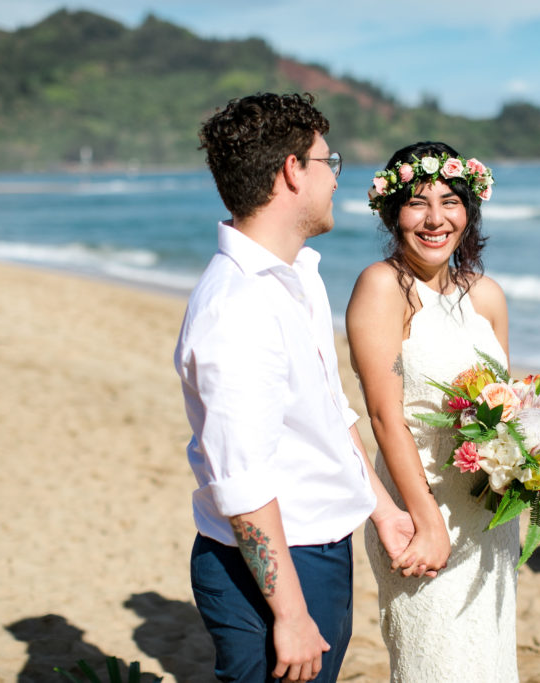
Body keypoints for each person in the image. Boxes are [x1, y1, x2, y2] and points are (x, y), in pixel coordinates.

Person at [174, 93, 416, 683]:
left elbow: (330, 413)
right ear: (291, 170)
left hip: (319, 547)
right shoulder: (239, 308)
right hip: (270, 567)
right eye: (327, 163)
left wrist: (381, 508)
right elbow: (242, 479)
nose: (336, 180)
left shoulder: (297, 276)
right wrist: (289, 612)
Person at [346, 142, 518, 681]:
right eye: (418, 203)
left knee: (487, 663)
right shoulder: (383, 287)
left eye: (451, 201)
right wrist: (426, 521)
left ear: (470, 209)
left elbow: (507, 407)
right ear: (392, 212)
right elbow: (382, 415)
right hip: (422, 511)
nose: (436, 219)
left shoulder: (487, 296)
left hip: (487, 518)